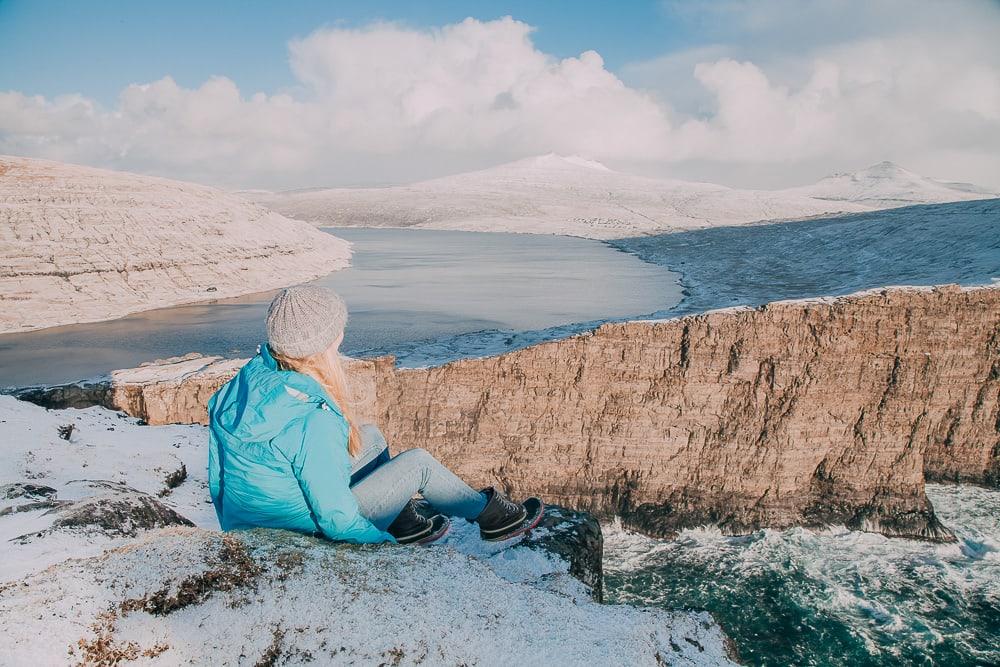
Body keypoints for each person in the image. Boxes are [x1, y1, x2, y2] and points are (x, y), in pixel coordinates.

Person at [207, 285, 543, 545]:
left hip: (253, 520)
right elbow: (336, 519)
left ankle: (405, 523)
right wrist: (381, 547)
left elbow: (219, 474)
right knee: (418, 464)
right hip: (303, 532)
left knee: (371, 437)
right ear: (326, 341)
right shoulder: (313, 420)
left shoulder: (248, 381)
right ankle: (495, 518)